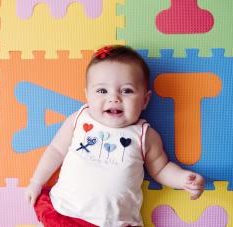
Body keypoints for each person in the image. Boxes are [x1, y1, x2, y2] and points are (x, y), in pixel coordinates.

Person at [25, 45, 205, 227]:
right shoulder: (79, 119)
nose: (114, 98)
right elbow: (56, 150)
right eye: (102, 91)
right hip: (64, 213)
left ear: (145, 100)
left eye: (126, 91)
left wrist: (183, 179)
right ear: (87, 95)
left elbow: (161, 169)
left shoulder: (145, 136)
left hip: (116, 222)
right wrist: (36, 182)